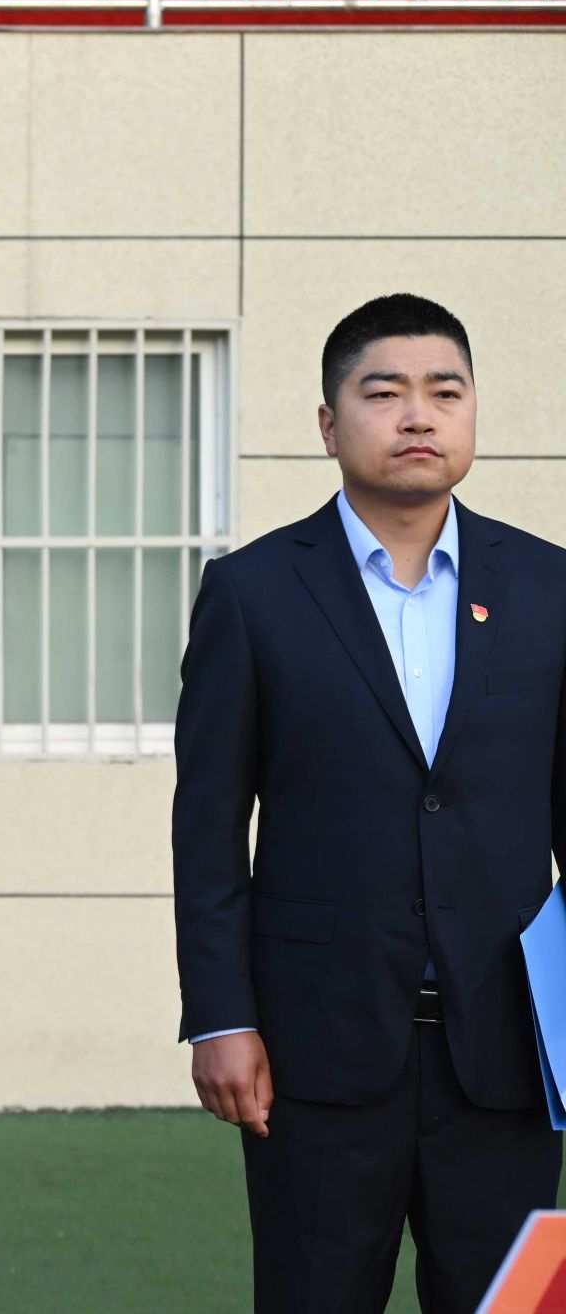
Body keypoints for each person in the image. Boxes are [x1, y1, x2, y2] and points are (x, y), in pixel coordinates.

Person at [174, 294, 564, 1312]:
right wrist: (220, 1016)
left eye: (445, 391)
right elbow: (207, 829)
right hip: (315, 1050)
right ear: (327, 422)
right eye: (383, 393)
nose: (417, 415)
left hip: (508, 1048)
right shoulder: (253, 592)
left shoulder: (548, 587)